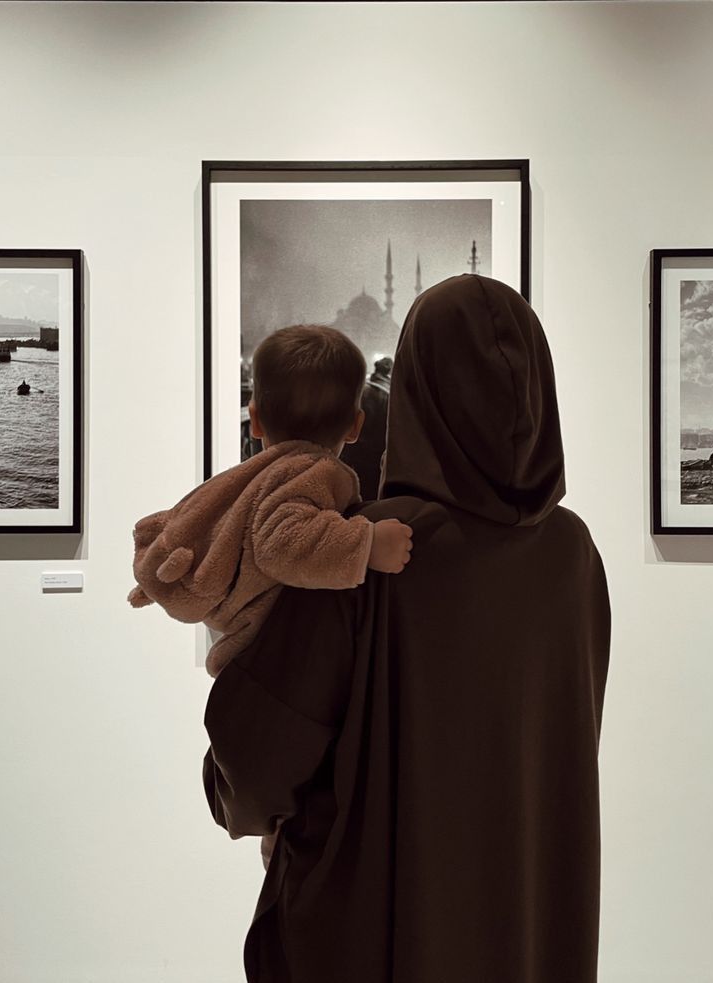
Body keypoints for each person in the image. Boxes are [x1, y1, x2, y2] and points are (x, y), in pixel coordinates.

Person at [203, 274, 612, 982]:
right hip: (527, 929)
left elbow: (257, 759)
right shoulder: (574, 555)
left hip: (370, 935)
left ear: (416, 397)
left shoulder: (367, 551)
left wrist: (234, 797)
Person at [127, 324, 412, 677]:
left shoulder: (264, 472)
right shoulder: (312, 470)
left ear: (256, 421)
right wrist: (366, 545)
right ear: (356, 426)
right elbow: (281, 544)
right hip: (275, 655)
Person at [340, 355, 393, 499]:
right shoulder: (391, 397)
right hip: (374, 461)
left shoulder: (360, 390)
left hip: (350, 454)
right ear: (389, 373)